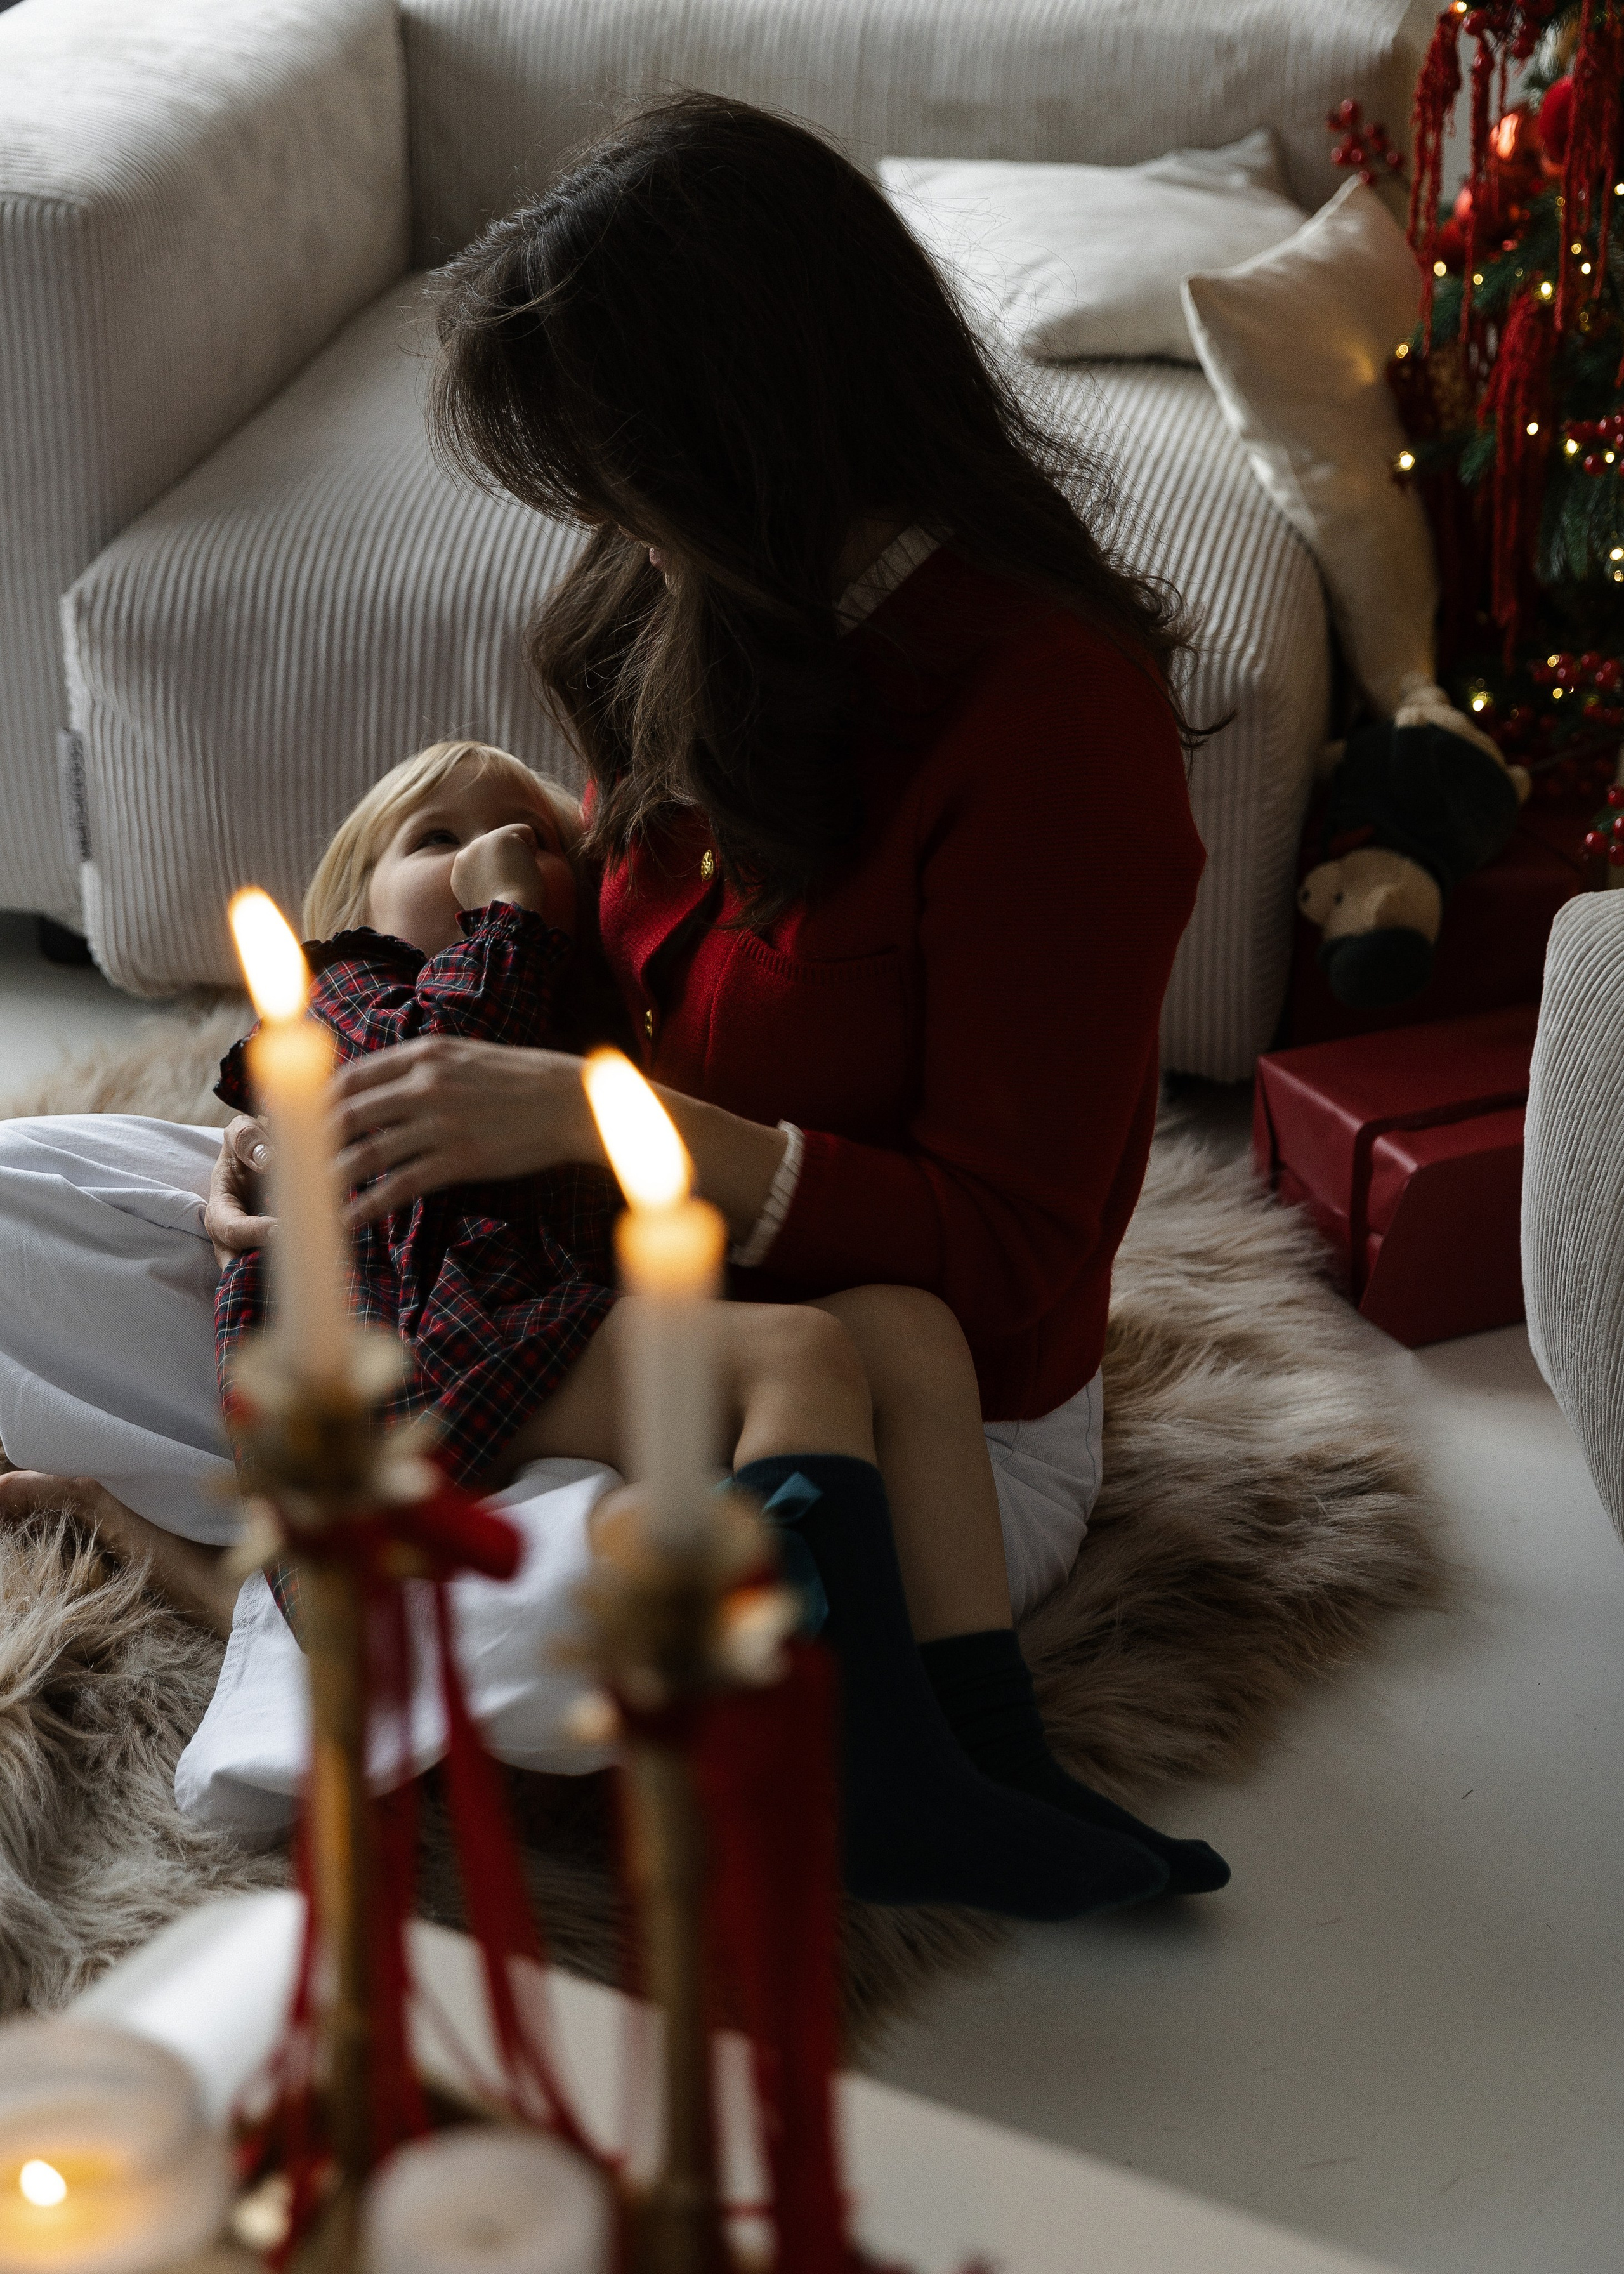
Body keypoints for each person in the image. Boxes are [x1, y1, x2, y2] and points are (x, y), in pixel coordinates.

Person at [0, 90, 1221, 1904]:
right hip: (557, 1295)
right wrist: (315, 1140)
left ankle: (840, 1720)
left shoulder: (1055, 733)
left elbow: (1008, 1267)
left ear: (747, 440)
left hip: (888, 1413)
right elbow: (593, 951)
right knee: (26, 1206)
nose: (604, 534)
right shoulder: (702, 597)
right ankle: (326, 1542)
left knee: (596, 1625)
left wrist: (604, 1122)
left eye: (616, 484)